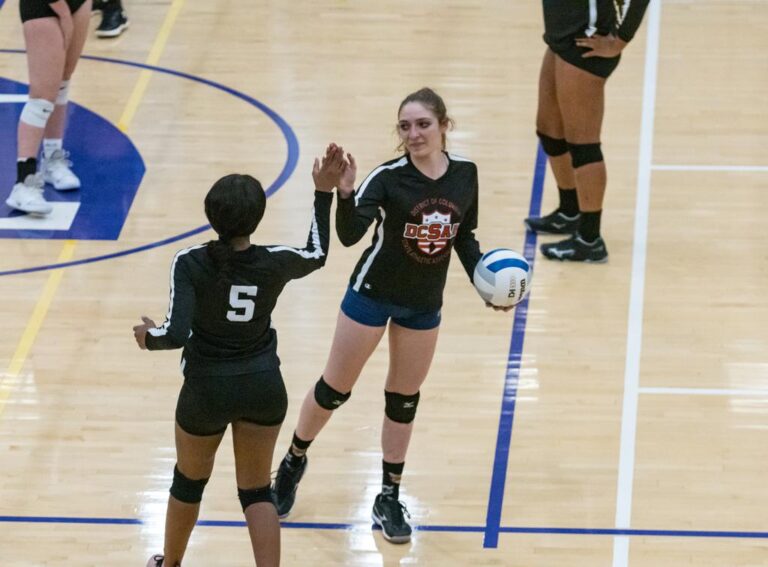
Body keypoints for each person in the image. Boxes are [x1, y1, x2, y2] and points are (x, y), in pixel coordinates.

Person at [272, 87, 512, 544]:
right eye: (405, 126)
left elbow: (464, 236)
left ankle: (388, 496)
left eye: (423, 124)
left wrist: (485, 284)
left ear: (444, 125)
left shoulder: (466, 174)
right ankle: (292, 461)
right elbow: (347, 236)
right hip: (371, 295)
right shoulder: (387, 177)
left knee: (403, 400)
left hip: (424, 303)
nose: (414, 133)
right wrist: (343, 193)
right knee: (334, 389)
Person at [132, 146, 345, 567]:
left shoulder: (190, 262)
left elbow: (174, 335)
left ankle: (170, 564)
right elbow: (316, 254)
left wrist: (145, 337)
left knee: (188, 483)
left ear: (211, 216)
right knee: (255, 492)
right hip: (263, 385)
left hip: (206, 390)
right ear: (258, 218)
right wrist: (323, 192)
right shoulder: (272, 263)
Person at [524, 0, 650, 262]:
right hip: (562, 36)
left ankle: (590, 239)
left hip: (585, 41)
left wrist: (621, 39)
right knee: (550, 131)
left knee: (583, 144)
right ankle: (570, 212)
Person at [6, 0, 92, 216]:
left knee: (61, 83)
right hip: (44, 5)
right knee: (42, 98)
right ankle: (23, 184)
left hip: (78, 3)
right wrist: (62, 11)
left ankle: (53, 160)